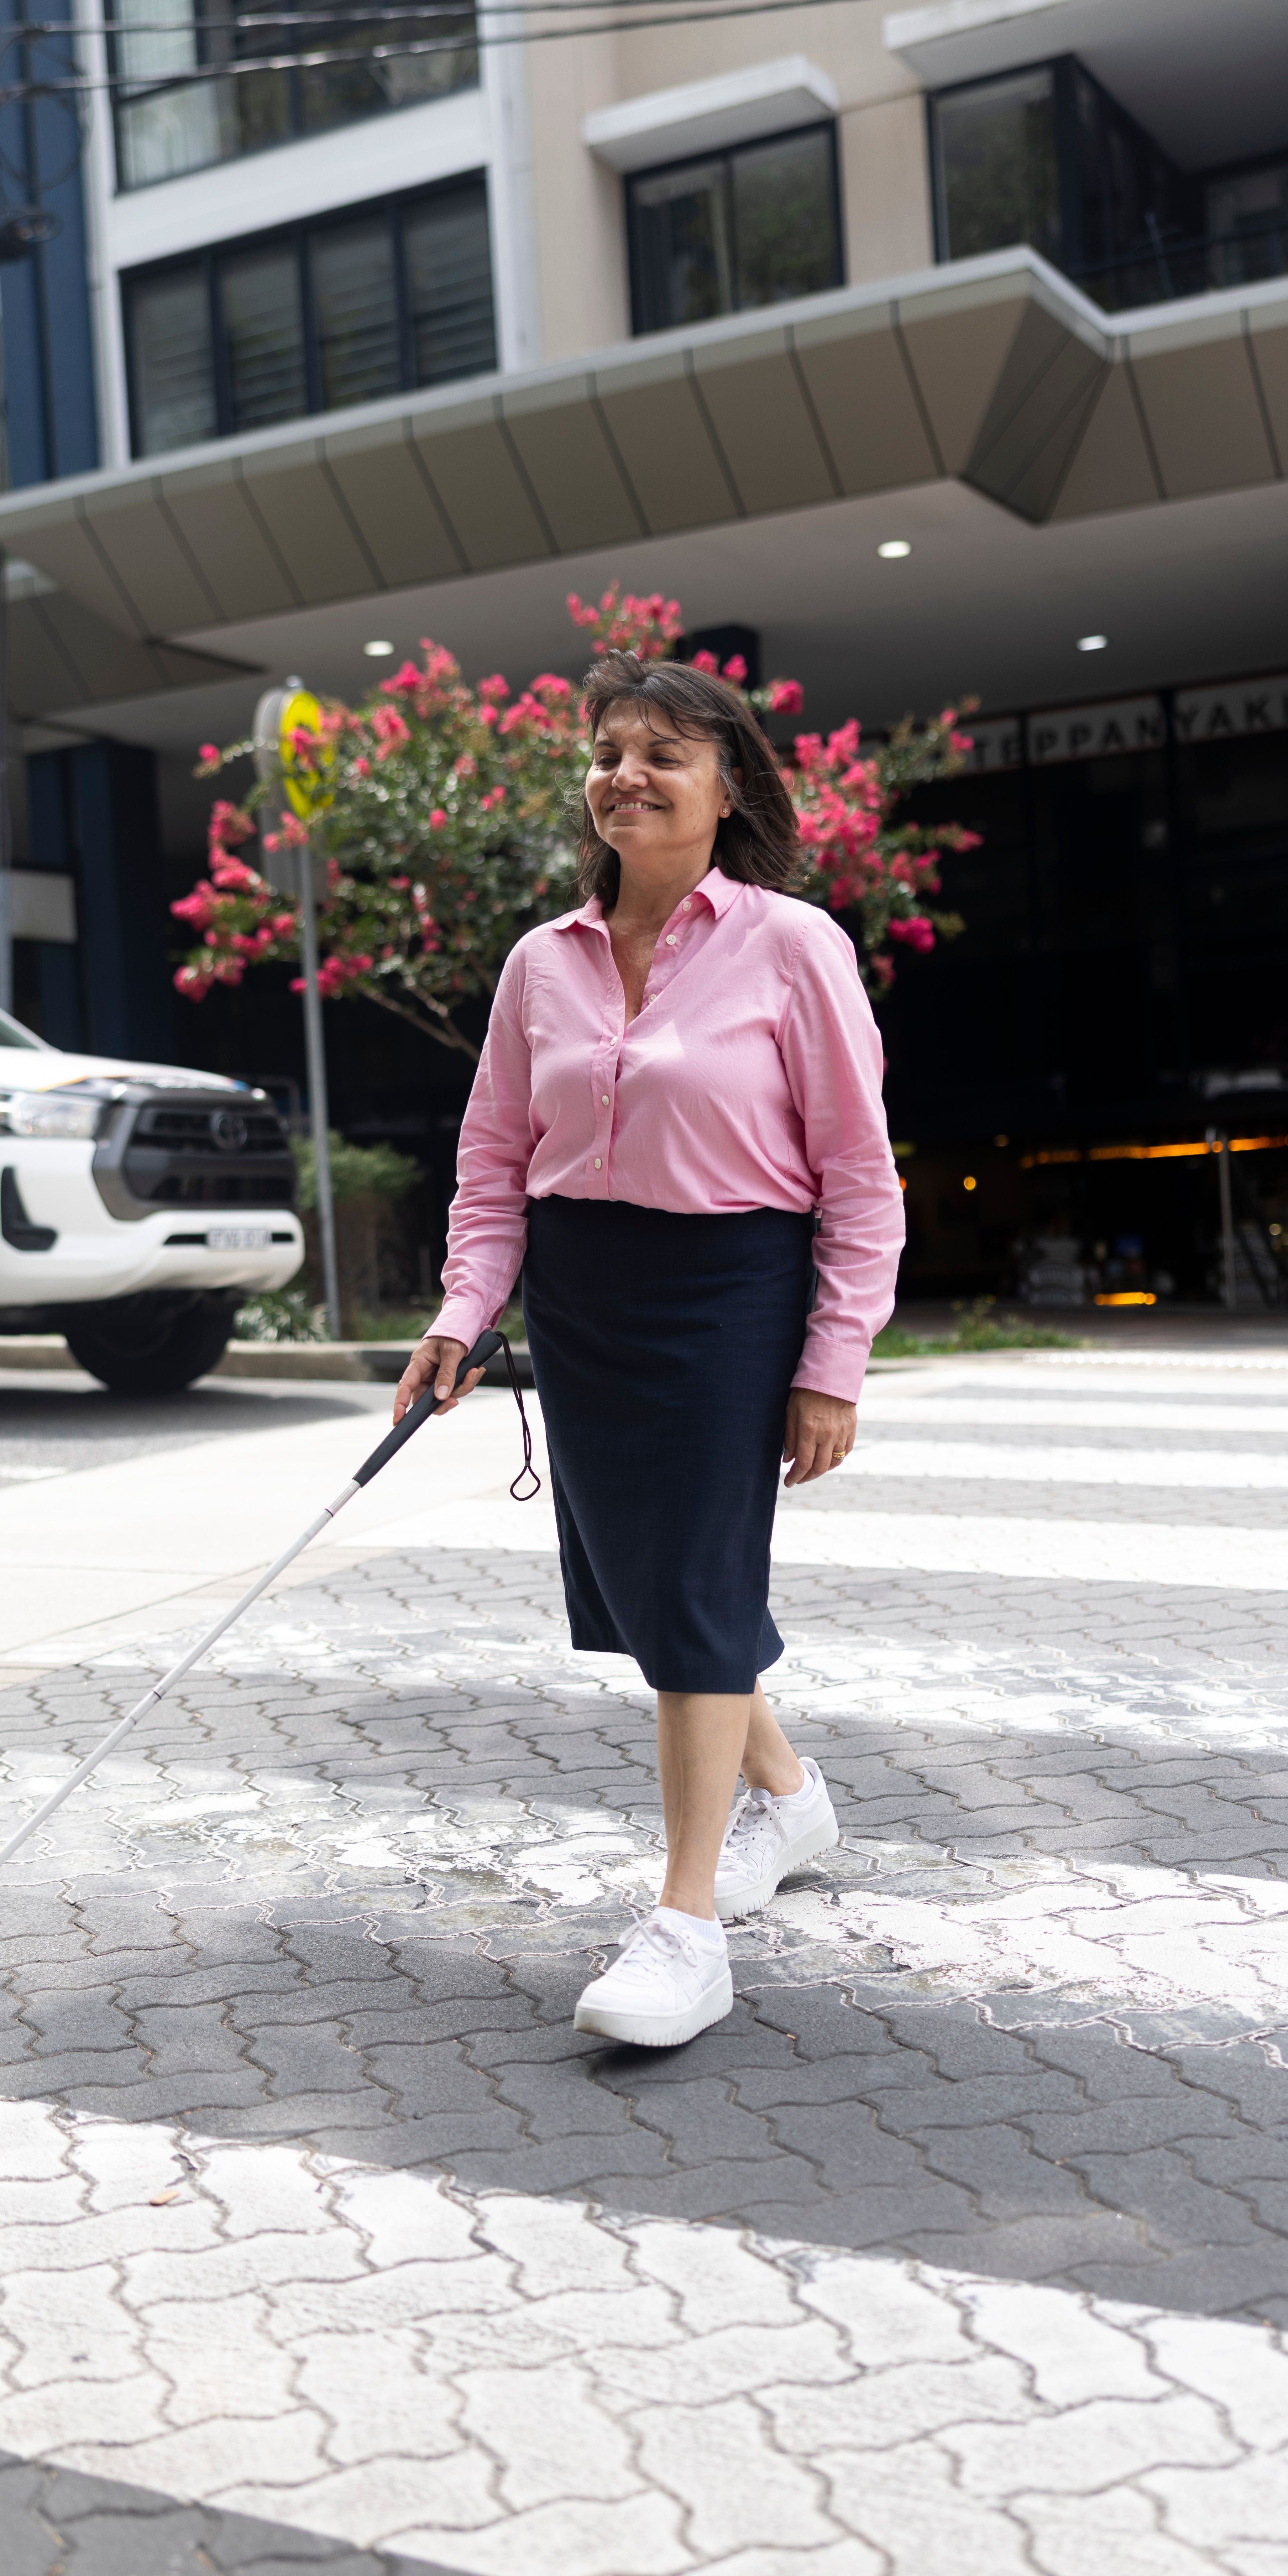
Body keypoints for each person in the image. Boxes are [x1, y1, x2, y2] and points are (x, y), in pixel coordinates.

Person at [394, 650, 905, 2049]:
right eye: (610, 748)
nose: (626, 772)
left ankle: (685, 1926)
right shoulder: (537, 961)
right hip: (584, 1303)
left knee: (688, 1588)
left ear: (725, 787)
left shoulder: (792, 947)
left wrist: (831, 1357)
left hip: (729, 1290)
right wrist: (461, 1314)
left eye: (661, 753)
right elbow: (494, 1159)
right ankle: (790, 1800)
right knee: (646, 1593)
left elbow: (860, 1179)